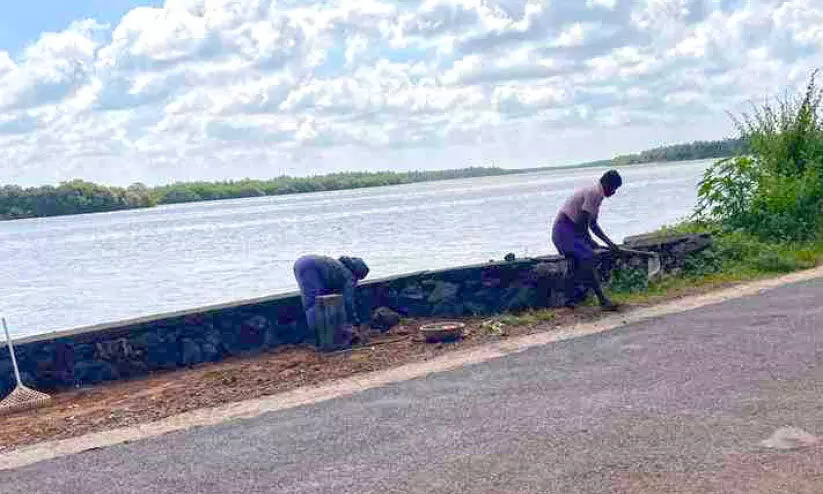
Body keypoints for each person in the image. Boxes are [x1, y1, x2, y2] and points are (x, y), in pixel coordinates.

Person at [551, 170, 623, 311]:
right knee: (588, 257)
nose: (614, 192)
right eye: (614, 188)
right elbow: (583, 223)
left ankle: (569, 298)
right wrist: (590, 242)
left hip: (571, 231)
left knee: (577, 263)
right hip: (563, 231)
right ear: (607, 184)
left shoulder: (598, 195)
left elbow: (593, 224)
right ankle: (602, 300)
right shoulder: (594, 193)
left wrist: (610, 244)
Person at [293, 255, 370, 336]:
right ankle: (316, 335)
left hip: (300, 263)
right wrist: (354, 321)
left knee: (310, 301)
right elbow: (348, 301)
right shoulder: (348, 275)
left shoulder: (337, 266)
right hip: (312, 267)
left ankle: (311, 332)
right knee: (316, 302)